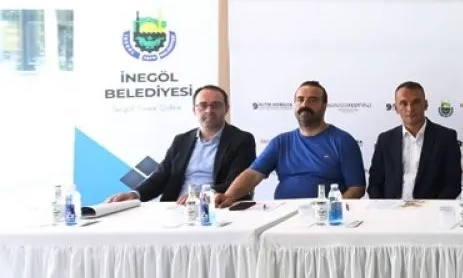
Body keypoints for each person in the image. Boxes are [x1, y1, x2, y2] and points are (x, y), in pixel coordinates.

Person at [107, 85, 256, 204]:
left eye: (215, 105)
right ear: (194, 110)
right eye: (203, 105)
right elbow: (161, 176)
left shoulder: (242, 139)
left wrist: (200, 195)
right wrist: (135, 194)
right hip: (176, 206)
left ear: (226, 109)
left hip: (216, 206)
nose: (209, 110)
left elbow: (237, 182)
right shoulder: (181, 140)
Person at [221, 81, 366, 201]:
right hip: (284, 214)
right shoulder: (280, 142)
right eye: (300, 99)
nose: (305, 104)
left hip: (324, 216)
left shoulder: (342, 141)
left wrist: (332, 211)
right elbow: (253, 174)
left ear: (324, 106)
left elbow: (357, 188)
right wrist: (228, 196)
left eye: (313, 100)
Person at [367, 81, 462, 200]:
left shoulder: (446, 138)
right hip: (392, 208)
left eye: (416, 102)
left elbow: (453, 185)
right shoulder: (385, 140)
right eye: (403, 103)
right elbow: (374, 184)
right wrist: (385, 208)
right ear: (396, 108)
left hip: (431, 208)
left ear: (425, 105)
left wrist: (431, 207)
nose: (410, 108)